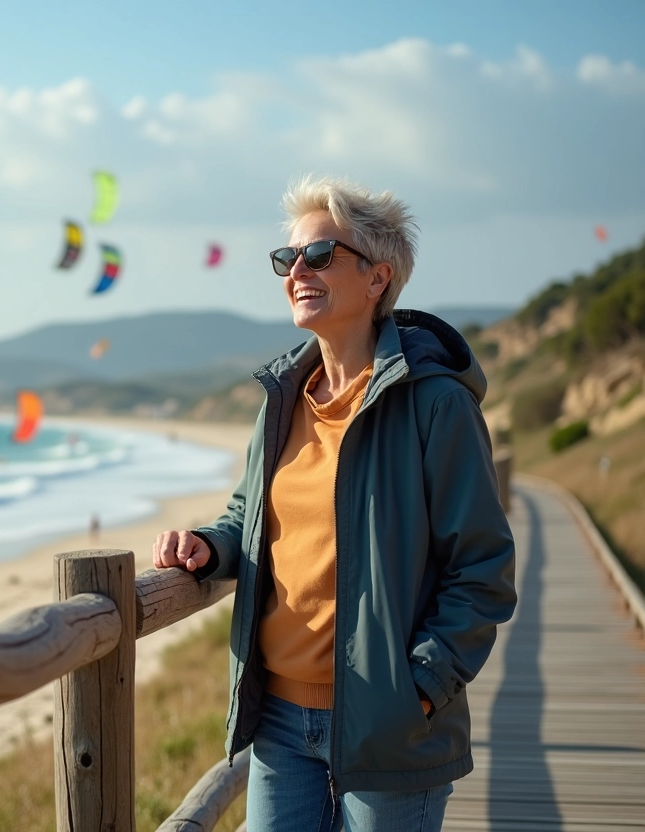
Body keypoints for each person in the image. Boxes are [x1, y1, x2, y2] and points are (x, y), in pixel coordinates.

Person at [152, 176, 516, 832]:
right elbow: (251, 513)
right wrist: (210, 545)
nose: (297, 271)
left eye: (319, 256)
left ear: (378, 279)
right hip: (280, 726)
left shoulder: (437, 404)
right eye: (287, 258)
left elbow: (482, 570)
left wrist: (420, 691)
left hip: (391, 727)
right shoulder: (284, 397)